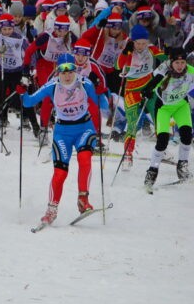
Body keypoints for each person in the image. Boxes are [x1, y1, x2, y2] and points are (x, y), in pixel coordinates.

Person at [20, 53, 108, 225]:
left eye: (70, 71)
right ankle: (51, 210)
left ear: (75, 70)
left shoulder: (84, 83)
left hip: (84, 128)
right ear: (58, 71)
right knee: (60, 173)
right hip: (62, 132)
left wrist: (100, 92)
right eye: (63, 71)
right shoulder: (51, 85)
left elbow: (103, 104)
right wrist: (23, 92)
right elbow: (29, 103)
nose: (67, 75)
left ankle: (83, 199)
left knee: (85, 158)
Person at [114, 23, 164, 170]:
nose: (141, 46)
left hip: (149, 89)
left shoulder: (151, 48)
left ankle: (162, 147)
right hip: (132, 90)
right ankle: (128, 154)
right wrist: (125, 52)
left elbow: (166, 58)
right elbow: (117, 66)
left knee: (158, 117)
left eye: (144, 43)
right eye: (138, 43)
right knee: (132, 122)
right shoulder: (128, 51)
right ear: (133, 41)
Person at [142, 47, 192, 189]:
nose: (180, 66)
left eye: (183, 62)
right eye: (177, 62)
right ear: (171, 62)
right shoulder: (164, 70)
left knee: (187, 136)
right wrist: (147, 91)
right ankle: (153, 170)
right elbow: (154, 81)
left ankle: (182, 166)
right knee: (163, 140)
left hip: (181, 106)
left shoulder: (189, 71)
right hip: (163, 108)